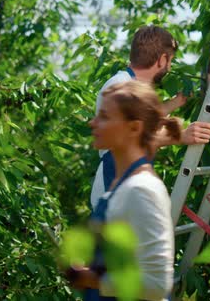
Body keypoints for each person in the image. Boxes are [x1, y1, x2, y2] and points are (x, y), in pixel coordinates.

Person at [71, 81, 180, 300]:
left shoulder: (142, 189)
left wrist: (93, 280)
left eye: (104, 117)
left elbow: (157, 285)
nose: (93, 123)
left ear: (134, 128)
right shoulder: (120, 183)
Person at [91, 25, 210, 208]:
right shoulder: (121, 86)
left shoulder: (128, 84)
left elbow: (143, 121)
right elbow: (129, 137)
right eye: (170, 60)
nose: (170, 67)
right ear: (162, 59)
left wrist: (179, 100)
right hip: (115, 186)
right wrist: (180, 135)